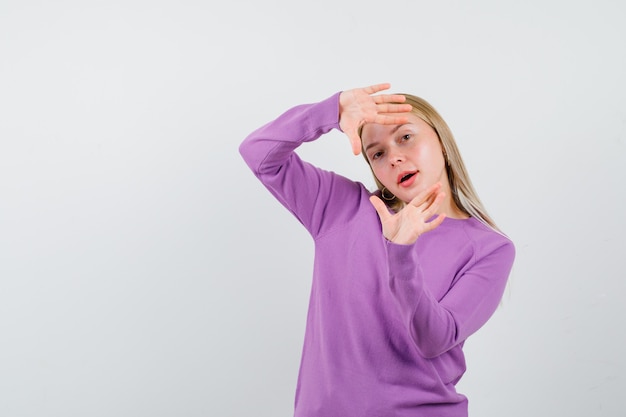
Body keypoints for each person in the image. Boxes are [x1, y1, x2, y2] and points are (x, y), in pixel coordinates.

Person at [239, 83, 515, 417]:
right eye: (377, 153)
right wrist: (331, 111)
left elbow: (435, 339)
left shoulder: (490, 249)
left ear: (441, 143)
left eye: (406, 137)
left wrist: (401, 252)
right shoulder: (341, 207)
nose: (395, 156)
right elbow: (258, 153)